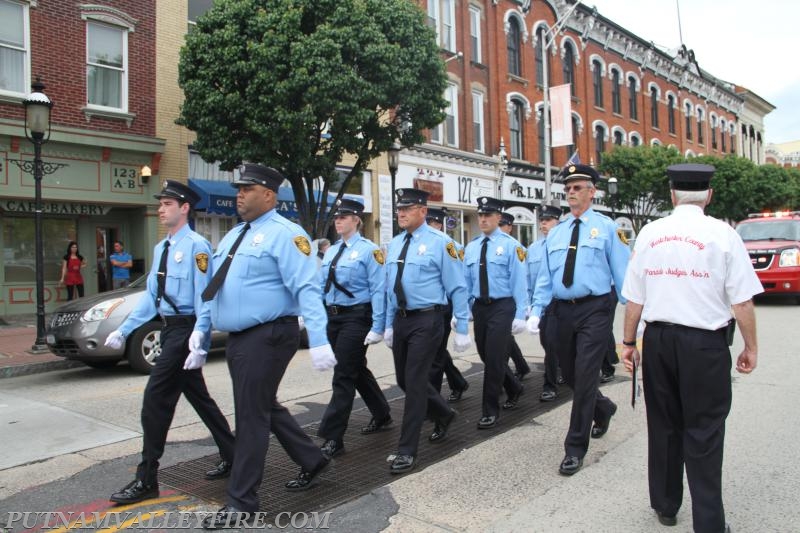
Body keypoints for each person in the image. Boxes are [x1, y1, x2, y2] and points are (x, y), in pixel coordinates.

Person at [620, 163, 761, 532]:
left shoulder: (650, 232)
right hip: (704, 344)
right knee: (705, 429)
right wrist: (751, 347)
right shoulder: (723, 234)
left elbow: (634, 299)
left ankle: (666, 505)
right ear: (708, 195)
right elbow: (742, 301)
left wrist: (628, 343)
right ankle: (709, 524)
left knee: (664, 423)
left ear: (672, 194)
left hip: (660, 340)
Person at [196, 164, 336, 528]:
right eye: (238, 189)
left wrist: (319, 339)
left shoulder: (286, 235)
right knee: (261, 406)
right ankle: (311, 458)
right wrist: (202, 330)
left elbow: (307, 287)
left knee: (250, 416)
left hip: (270, 334)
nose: (239, 194)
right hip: (241, 338)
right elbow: (217, 286)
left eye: (247, 189)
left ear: (269, 195)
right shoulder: (233, 235)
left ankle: (242, 503)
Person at [104, 180, 235, 505]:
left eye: (166, 204)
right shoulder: (162, 248)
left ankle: (147, 478)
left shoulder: (197, 246)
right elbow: (151, 299)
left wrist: (200, 338)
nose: (161, 209)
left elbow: (205, 297)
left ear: (184, 208)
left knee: (155, 401)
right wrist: (125, 328)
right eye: (160, 204)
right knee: (198, 396)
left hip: (186, 330)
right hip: (169, 330)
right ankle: (233, 454)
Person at [528, 164, 629, 476]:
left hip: (595, 308)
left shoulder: (608, 228)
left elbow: (622, 274)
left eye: (577, 187)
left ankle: (574, 447)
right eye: (568, 188)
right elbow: (546, 276)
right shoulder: (555, 234)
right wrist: (536, 309)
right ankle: (604, 407)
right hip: (561, 310)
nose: (571, 192)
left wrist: (639, 316)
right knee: (569, 375)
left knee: (585, 375)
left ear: (591, 191)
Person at [383, 188, 470, 474]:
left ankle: (406, 450)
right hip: (402, 319)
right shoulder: (394, 244)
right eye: (399, 209)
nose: (402, 213)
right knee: (404, 380)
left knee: (416, 382)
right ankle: (443, 414)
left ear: (423, 210)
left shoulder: (441, 243)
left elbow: (457, 286)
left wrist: (462, 325)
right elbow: (387, 289)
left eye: (407, 208)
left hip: (428, 319)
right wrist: (386, 324)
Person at [317, 198, 392, 458]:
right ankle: (382, 413)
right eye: (337, 217)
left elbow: (379, 290)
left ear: (357, 220)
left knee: (344, 374)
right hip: (333, 317)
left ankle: (333, 436)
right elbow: (321, 286)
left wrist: (379, 325)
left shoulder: (369, 251)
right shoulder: (332, 251)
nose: (338, 221)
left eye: (344, 217)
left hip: (357, 317)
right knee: (355, 369)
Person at [464, 198, 527, 429]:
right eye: (480, 215)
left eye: (488, 215)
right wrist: (463, 310)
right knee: (485, 354)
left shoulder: (511, 246)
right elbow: (466, 281)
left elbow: (519, 281)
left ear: (498, 218)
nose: (483, 219)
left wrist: (521, 313)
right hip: (480, 307)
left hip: (503, 305)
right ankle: (513, 386)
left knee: (493, 358)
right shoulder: (471, 247)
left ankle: (490, 410)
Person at [424, 206, 470, 402]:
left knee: (434, 354)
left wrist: (459, 315)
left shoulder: (453, 247)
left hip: (445, 307)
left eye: (431, 222)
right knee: (436, 351)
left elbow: (459, 282)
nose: (428, 226)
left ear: (439, 225)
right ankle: (458, 382)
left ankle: (432, 400)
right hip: (428, 308)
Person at [526, 205, 562, 402]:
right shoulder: (533, 248)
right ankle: (555, 373)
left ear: (558, 221)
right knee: (548, 344)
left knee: (556, 344)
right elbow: (529, 278)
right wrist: (529, 305)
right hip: (542, 305)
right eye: (542, 220)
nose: (543, 224)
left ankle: (551, 384)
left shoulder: (564, 244)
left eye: (548, 220)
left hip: (562, 303)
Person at [499, 211, 532, 380]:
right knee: (505, 337)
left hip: (510, 300)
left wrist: (524, 305)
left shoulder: (516, 247)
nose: (498, 228)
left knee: (502, 341)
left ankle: (504, 377)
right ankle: (520, 366)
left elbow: (524, 279)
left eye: (501, 225)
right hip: (498, 302)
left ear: (510, 227)